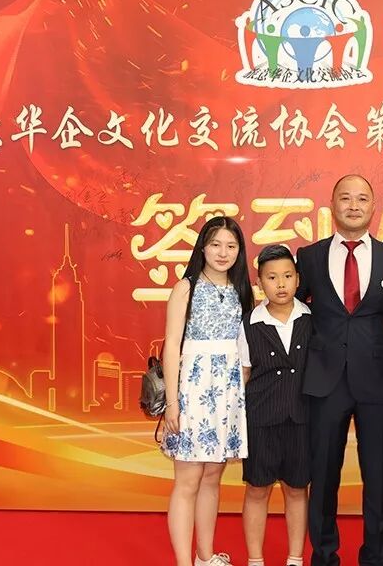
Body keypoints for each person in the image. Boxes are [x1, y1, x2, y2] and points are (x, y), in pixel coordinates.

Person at [295, 174, 383, 566]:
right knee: (323, 475)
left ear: (373, 207)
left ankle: (375, 557)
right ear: (332, 204)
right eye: (345, 198)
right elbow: (293, 312)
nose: (354, 206)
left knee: (377, 477)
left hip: (376, 382)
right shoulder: (308, 257)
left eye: (362, 199)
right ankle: (324, 555)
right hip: (323, 381)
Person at [162, 216, 255, 566]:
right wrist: (173, 402)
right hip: (192, 390)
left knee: (213, 477)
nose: (223, 252)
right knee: (188, 480)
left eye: (231, 246)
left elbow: (245, 348)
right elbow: (172, 345)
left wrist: (238, 392)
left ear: (239, 251)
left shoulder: (241, 290)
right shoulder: (186, 288)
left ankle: (205, 556)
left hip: (227, 395)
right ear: (203, 247)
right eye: (216, 244)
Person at [238, 245, 311, 566]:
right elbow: (243, 374)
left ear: (298, 279)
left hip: (302, 419)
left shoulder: (313, 319)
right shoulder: (248, 324)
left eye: (287, 276)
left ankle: (295, 558)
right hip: (260, 420)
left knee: (297, 490)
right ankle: (255, 559)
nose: (280, 284)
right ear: (259, 283)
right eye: (271, 277)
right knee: (257, 490)